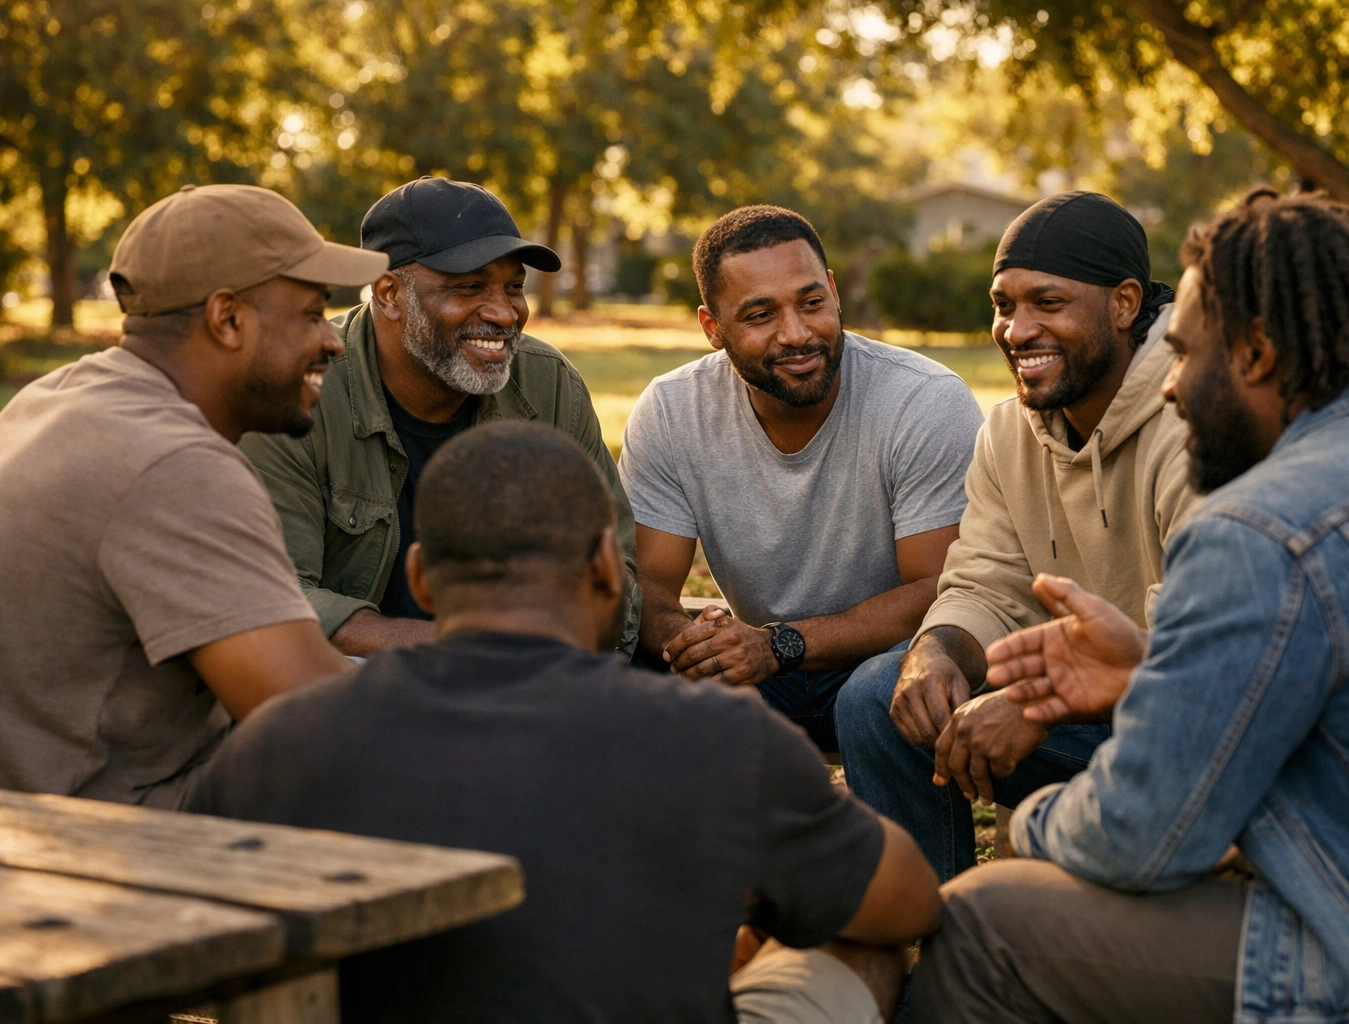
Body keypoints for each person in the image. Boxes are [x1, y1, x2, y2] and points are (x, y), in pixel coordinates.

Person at [909, 189, 1349, 1024]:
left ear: (1258, 354)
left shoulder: (1259, 527)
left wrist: (1031, 823)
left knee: (986, 923)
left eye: (1184, 355)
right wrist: (1149, 671)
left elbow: (1139, 836)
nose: (1167, 389)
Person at [188, 421, 942, 1023]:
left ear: (420, 576)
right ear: (609, 570)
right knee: (860, 946)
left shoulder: (274, 741)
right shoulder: (717, 738)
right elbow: (907, 901)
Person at [836, 191, 1197, 879]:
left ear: (1123, 305)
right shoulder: (1008, 432)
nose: (1016, 329)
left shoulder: (1194, 425)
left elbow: (1208, 648)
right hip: (1065, 703)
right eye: (1004, 305)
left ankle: (991, 942)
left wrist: (1037, 707)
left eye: (1048, 303)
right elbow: (985, 580)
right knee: (883, 696)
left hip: (1176, 727)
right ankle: (926, 938)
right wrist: (937, 652)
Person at [0, 184, 381, 808]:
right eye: (311, 315)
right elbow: (317, 727)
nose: (334, 341)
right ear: (227, 318)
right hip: (107, 838)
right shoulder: (175, 465)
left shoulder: (60, 396)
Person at [620, 205, 983, 751]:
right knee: (630, 678)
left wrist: (778, 644)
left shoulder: (922, 400)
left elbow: (940, 590)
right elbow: (647, 584)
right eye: (760, 315)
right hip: (760, 673)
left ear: (834, 292)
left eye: (812, 303)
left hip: (889, 663)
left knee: (881, 686)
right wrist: (693, 645)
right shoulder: (673, 409)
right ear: (713, 328)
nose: (797, 334)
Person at [240, 176, 641, 658]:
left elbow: (615, 572)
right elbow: (277, 598)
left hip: (527, 682)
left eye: (514, 287)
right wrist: (470, 650)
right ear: (388, 294)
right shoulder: (299, 388)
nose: (504, 313)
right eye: (469, 287)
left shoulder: (548, 384)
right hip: (349, 685)